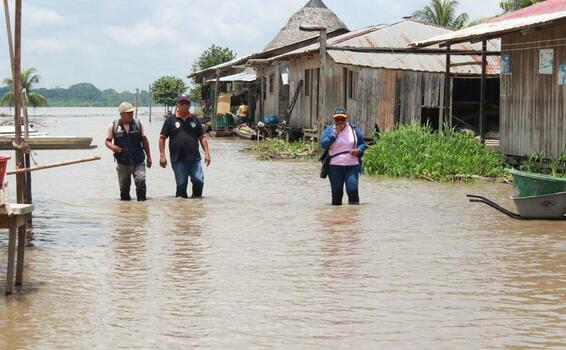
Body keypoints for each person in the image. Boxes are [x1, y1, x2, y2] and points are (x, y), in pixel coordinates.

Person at [159, 95, 211, 198]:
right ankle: (181, 208)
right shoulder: (170, 120)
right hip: (178, 159)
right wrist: (162, 156)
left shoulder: (195, 119)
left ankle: (196, 205)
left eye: (186, 103)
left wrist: (207, 153)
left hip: (194, 158)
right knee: (181, 185)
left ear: (189, 105)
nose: (184, 105)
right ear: (177, 104)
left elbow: (202, 137)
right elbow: (162, 138)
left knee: (199, 180)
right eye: (181, 103)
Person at [105, 101, 152, 201]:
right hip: (122, 162)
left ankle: (141, 209)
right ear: (121, 114)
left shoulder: (138, 124)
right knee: (124, 189)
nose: (131, 114)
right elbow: (107, 141)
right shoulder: (113, 125)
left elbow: (144, 140)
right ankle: (126, 212)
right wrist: (112, 146)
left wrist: (149, 157)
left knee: (141, 182)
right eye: (128, 113)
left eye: (132, 112)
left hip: (138, 160)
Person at [320, 107, 366, 206]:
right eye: (337, 119)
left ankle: (353, 216)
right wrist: (334, 134)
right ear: (334, 120)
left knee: (352, 190)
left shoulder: (354, 130)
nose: (340, 122)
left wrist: (358, 150)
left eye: (342, 119)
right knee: (337, 193)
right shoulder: (329, 130)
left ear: (347, 119)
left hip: (352, 166)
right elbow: (323, 144)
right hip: (334, 167)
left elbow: (362, 144)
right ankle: (337, 218)